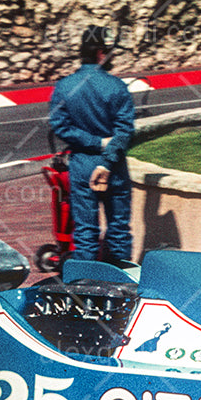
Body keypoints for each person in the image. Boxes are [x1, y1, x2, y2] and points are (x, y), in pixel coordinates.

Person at [49, 25, 136, 265]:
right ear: (100, 53)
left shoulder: (64, 87)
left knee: (85, 231)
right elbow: (125, 131)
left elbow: (60, 126)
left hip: (82, 164)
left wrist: (93, 142)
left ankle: (85, 284)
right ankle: (123, 283)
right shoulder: (117, 87)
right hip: (113, 166)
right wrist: (106, 159)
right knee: (118, 229)